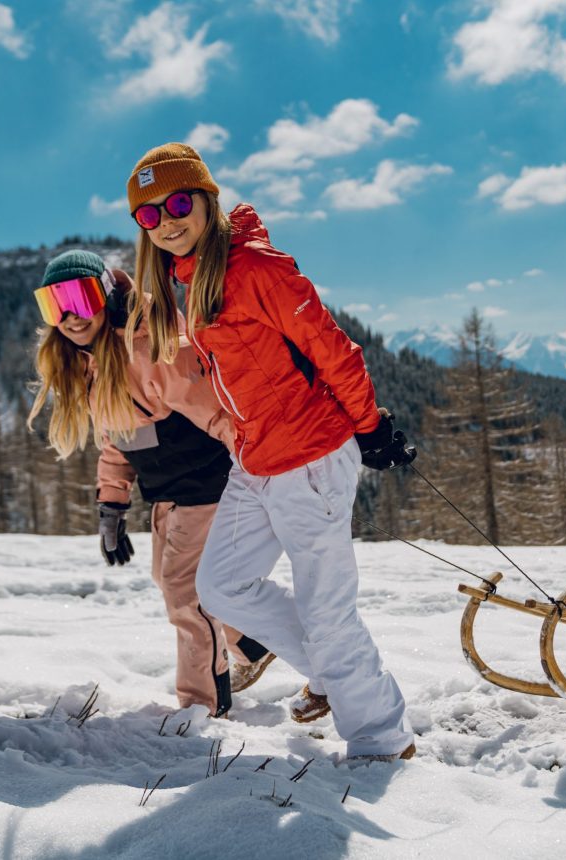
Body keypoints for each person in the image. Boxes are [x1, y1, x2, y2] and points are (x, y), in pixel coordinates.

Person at [123, 143, 418, 762]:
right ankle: (343, 678)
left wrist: (369, 426)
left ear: (205, 199)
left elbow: (334, 349)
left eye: (177, 203)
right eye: (149, 216)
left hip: (310, 455)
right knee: (223, 586)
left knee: (326, 608)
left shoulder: (254, 269)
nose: (167, 221)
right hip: (255, 463)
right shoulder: (190, 282)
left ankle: (382, 742)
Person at [28, 249, 276, 717]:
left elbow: (220, 413)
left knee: (185, 598)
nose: (69, 315)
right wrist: (111, 506)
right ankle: (256, 644)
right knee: (171, 582)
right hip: (168, 495)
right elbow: (119, 441)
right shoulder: (92, 363)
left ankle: (201, 705)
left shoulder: (151, 347)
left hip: (207, 486)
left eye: (80, 298)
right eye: (54, 304)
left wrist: (266, 467)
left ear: (104, 294)